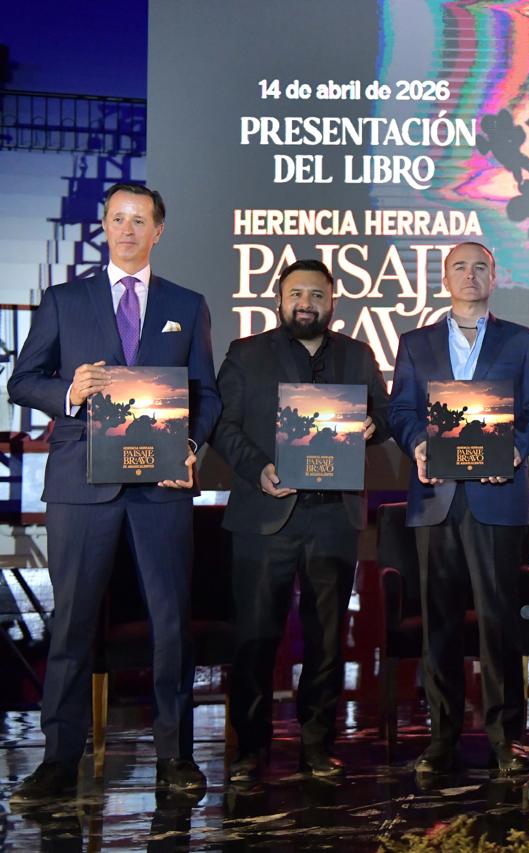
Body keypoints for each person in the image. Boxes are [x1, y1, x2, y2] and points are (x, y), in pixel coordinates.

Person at [8, 183, 221, 802]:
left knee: (170, 624)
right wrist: (69, 391)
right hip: (82, 483)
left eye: (140, 220)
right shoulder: (64, 300)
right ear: (104, 226)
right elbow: (23, 380)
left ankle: (174, 756)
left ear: (160, 230)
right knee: (72, 623)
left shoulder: (188, 303)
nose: (127, 229)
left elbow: (205, 393)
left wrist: (190, 444)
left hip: (161, 487)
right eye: (116, 218)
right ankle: (58, 759)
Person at [211, 258, 390, 783]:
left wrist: (371, 425)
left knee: (328, 640)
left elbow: (381, 416)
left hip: (333, 517)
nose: (305, 303)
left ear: (332, 302)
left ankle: (317, 745)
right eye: (295, 294)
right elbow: (223, 425)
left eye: (316, 294)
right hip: (265, 513)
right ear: (280, 299)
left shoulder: (358, 356)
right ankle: (250, 749)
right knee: (255, 638)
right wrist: (259, 469)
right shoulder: (246, 354)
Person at [388, 241, 529, 775]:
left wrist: (514, 449)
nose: (470, 274)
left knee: (499, 622)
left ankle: (505, 739)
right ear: (445, 277)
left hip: (496, 497)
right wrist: (416, 443)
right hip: (437, 501)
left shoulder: (523, 342)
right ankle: (442, 737)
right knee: (439, 625)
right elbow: (402, 410)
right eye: (460, 266)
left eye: (480, 266)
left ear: (494, 276)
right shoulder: (416, 344)